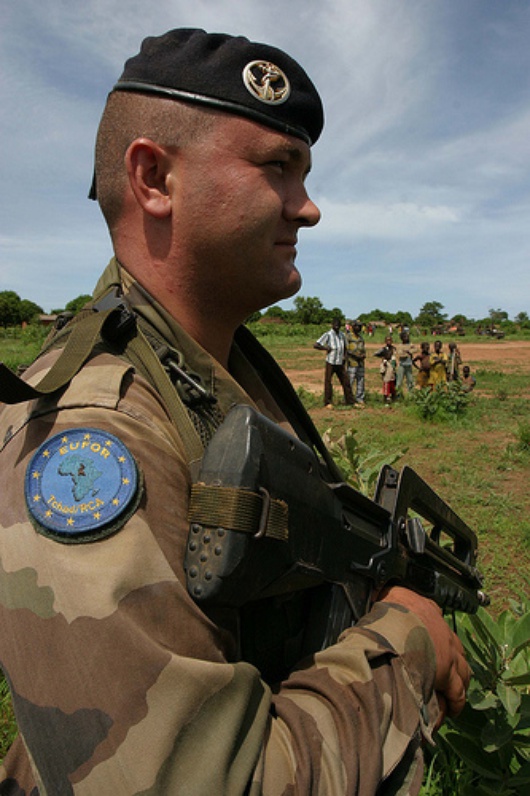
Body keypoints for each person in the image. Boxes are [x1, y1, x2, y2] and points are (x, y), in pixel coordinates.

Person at [0, 29, 470, 794]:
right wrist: (407, 638)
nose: (309, 208)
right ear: (154, 177)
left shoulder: (209, 369)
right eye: (277, 168)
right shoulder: (96, 437)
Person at [314, 317, 355, 407]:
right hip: (331, 362)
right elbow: (316, 345)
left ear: (340, 325)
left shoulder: (342, 335)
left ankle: (350, 401)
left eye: (338, 324)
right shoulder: (328, 334)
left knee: (346, 381)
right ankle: (328, 402)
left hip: (340, 362)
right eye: (335, 324)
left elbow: (345, 347)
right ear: (332, 325)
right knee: (328, 381)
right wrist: (325, 348)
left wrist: (345, 357)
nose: (337, 326)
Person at [345, 318, 366, 406]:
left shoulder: (361, 338)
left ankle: (359, 398)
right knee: (350, 380)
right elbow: (346, 350)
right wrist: (355, 355)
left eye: (360, 326)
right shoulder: (348, 337)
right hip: (352, 362)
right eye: (357, 326)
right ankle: (348, 398)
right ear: (352, 327)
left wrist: (363, 355)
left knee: (360, 380)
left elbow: (363, 350)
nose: (358, 328)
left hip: (361, 363)